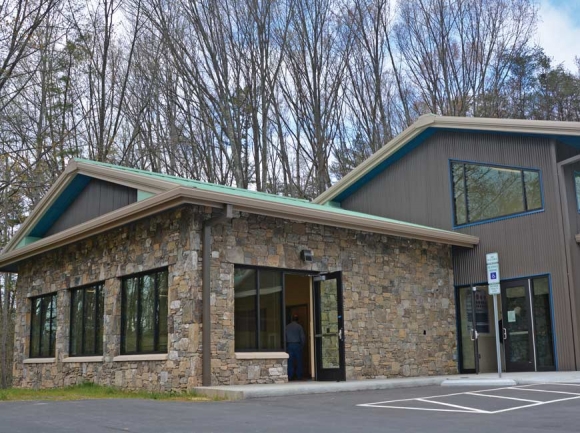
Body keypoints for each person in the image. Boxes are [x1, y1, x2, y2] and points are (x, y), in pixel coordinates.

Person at [285, 314, 306, 381]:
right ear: (298, 319)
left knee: (290, 361)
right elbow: (302, 337)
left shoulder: (287, 327)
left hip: (289, 345)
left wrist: (285, 346)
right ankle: (299, 376)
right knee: (299, 361)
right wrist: (302, 346)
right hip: (297, 345)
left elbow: (285, 337)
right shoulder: (299, 327)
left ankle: (290, 376)